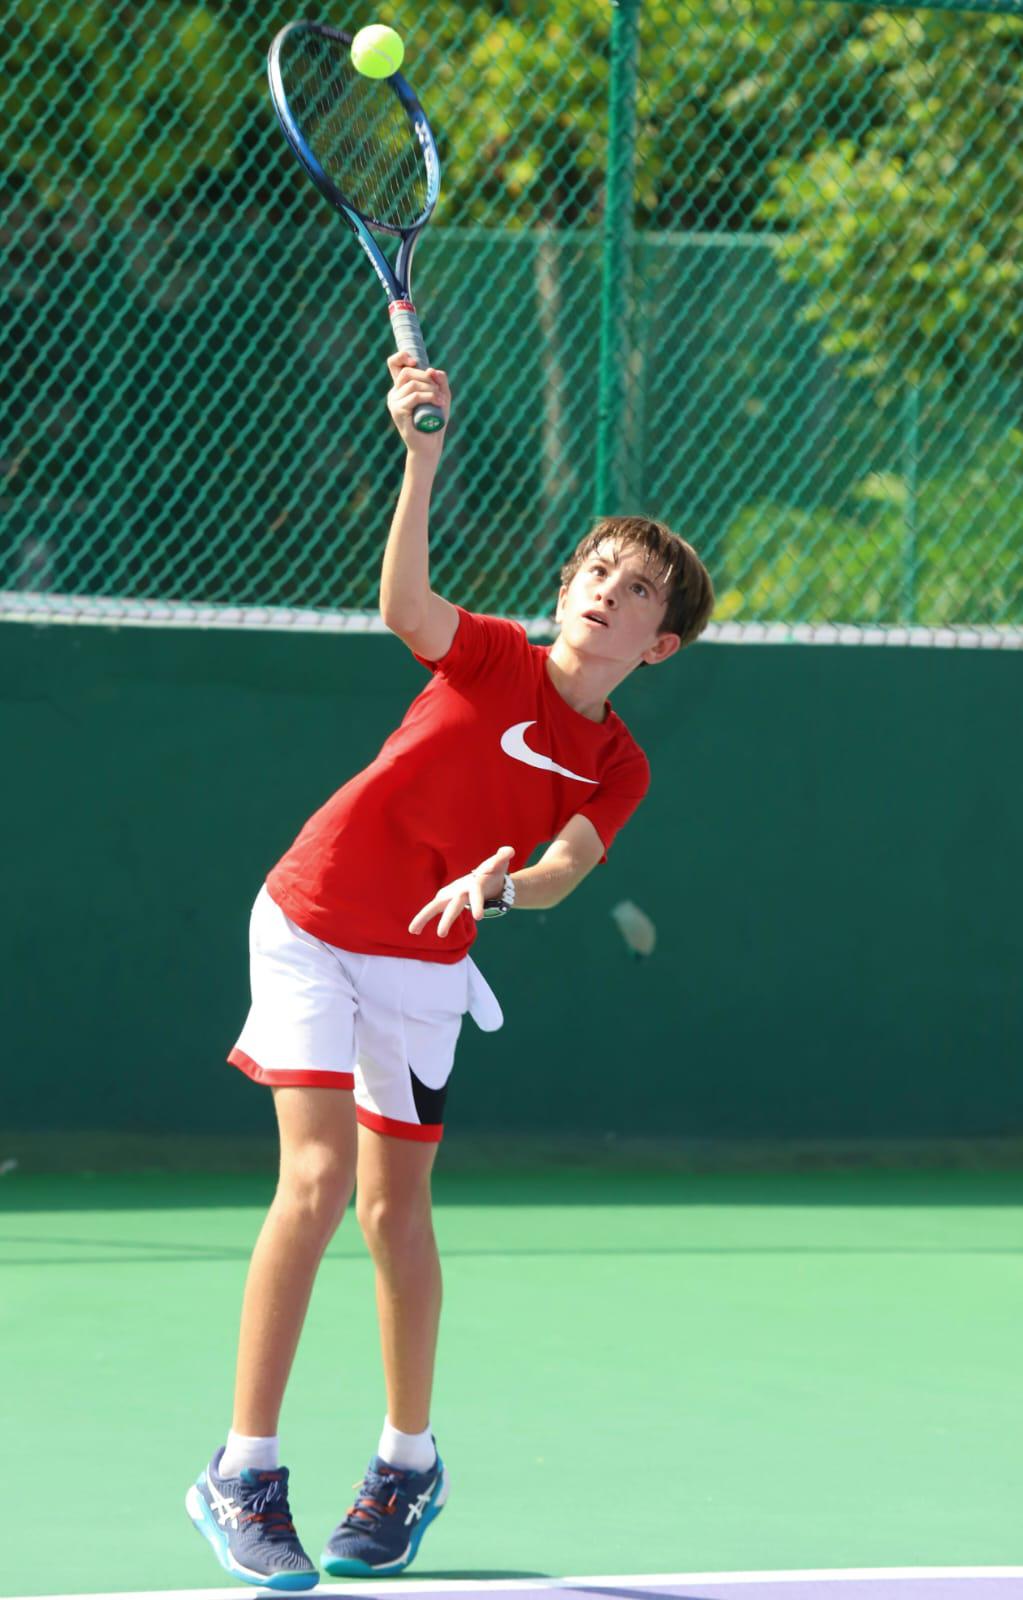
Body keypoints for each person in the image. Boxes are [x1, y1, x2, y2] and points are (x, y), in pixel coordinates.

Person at [185, 352, 715, 1590]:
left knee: (393, 1210)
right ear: (564, 586)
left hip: (427, 961)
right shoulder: (488, 658)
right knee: (314, 1183)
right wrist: (421, 456)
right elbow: (403, 607)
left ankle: (406, 1463)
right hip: (313, 917)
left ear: (663, 643)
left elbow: (566, 869)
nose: (603, 591)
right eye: (593, 570)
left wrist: (498, 885)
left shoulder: (618, 765)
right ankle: (244, 1469)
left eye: (634, 589)